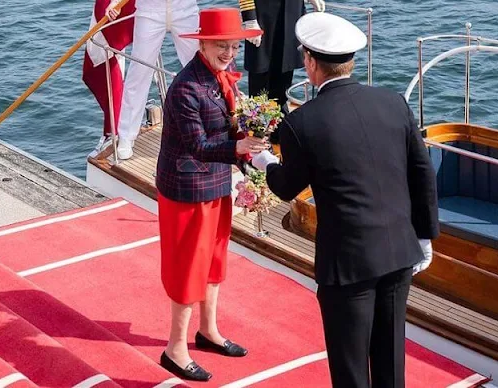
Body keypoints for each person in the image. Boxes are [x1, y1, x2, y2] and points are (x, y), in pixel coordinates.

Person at [251, 12, 439, 388]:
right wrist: (424, 236)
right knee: (390, 365)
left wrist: (264, 162)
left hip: (348, 267)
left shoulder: (301, 124)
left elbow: (287, 187)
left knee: (351, 371)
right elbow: (422, 172)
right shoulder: (392, 103)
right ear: (351, 61)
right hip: (400, 252)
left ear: (309, 62)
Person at [154, 8, 267, 381]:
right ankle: (175, 348)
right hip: (186, 189)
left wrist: (250, 149)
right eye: (222, 45)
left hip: (215, 181)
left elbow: (228, 131)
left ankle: (207, 331)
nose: (229, 52)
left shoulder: (222, 78)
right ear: (202, 43)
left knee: (215, 259)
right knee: (189, 266)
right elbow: (198, 145)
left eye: (234, 46)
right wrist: (240, 147)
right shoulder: (186, 87)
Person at [103, 0, 261, 160]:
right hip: (149, 10)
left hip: (184, 8)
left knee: (211, 68)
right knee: (138, 74)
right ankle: (126, 136)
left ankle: (226, 127)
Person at [242, 0, 325, 113]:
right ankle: (256, 121)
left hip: (292, 10)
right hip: (263, 16)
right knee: (261, 71)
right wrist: (249, 17)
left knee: (285, 66)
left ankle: (280, 116)